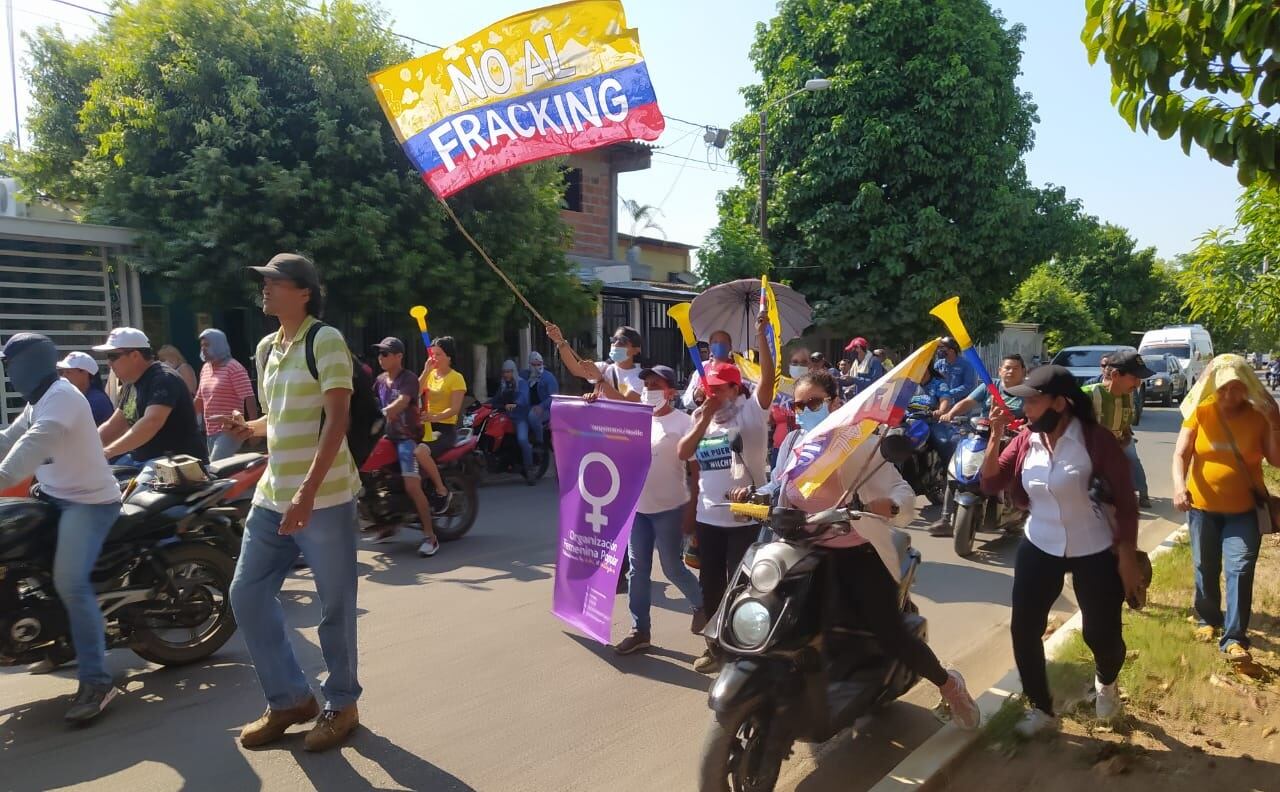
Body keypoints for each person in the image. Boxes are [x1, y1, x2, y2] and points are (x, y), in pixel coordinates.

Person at [740, 371, 981, 730]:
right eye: (798, 404)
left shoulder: (856, 444)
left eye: (814, 403)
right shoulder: (795, 442)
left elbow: (901, 491)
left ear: (836, 402)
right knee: (780, 618)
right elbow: (780, 483)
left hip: (856, 552)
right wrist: (754, 493)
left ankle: (950, 686)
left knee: (889, 631)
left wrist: (892, 507)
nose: (804, 410)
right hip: (805, 552)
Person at [222, 252, 363, 752]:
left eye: (273, 281)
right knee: (246, 594)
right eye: (263, 281)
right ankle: (289, 699)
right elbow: (278, 419)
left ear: (303, 291)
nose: (264, 288)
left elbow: (338, 420)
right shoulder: (267, 348)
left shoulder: (324, 341)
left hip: (322, 497)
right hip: (272, 495)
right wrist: (250, 429)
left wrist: (306, 493)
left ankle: (341, 702)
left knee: (335, 605)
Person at [979, 365, 1145, 737]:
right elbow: (990, 483)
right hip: (1040, 543)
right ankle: (1042, 708)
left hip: (1094, 547)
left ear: (1061, 402)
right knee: (1024, 630)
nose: (1027, 410)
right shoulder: (1025, 439)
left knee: (1101, 635)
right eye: (1025, 403)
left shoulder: (1095, 440)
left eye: (1034, 402)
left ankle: (1106, 681)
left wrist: (1127, 557)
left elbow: (1126, 502)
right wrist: (996, 437)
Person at [0, 334, 124, 723]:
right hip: (53, 496)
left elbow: (24, 456)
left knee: (70, 581)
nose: (7, 371)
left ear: (30, 363)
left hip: (89, 502)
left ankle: (98, 681)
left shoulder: (62, 397)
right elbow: (8, 439)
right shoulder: (39, 399)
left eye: (10, 363)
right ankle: (60, 640)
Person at [678, 311, 777, 674]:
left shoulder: (752, 413)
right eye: (709, 389)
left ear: (736, 388)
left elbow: (768, 378)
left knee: (741, 585)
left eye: (720, 388)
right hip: (709, 516)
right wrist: (703, 416)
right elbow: (683, 454)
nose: (713, 394)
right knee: (711, 584)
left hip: (745, 517)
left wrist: (761, 336)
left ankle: (741, 649)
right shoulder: (700, 417)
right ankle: (715, 647)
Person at [1172, 354, 1280, 664]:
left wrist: (1275, 423)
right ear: (1212, 387)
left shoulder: (1260, 417)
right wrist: (1180, 486)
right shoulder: (1200, 412)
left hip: (1245, 511)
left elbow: (1276, 460)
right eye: (1223, 388)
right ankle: (1208, 620)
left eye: (1236, 388)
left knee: (1240, 569)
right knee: (1205, 567)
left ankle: (1234, 638)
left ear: (1246, 386)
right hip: (1202, 509)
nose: (1230, 395)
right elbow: (1181, 455)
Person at [613, 365, 706, 655]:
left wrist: (692, 511)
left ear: (671, 391)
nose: (649, 389)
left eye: (656, 384)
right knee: (637, 571)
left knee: (672, 567)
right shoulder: (638, 421)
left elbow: (696, 470)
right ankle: (640, 630)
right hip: (638, 510)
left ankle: (703, 607)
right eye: (647, 384)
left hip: (671, 509)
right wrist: (594, 397)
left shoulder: (684, 422)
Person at [930, 354, 1029, 537]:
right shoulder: (991, 387)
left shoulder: (1028, 393)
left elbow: (1034, 415)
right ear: (1000, 370)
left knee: (1017, 470)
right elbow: (968, 402)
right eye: (1007, 367)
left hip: (1011, 440)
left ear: (1023, 371)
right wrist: (950, 414)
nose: (1010, 371)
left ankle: (1017, 509)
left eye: (1015, 368)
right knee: (956, 469)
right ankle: (945, 518)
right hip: (981, 436)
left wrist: (1025, 426)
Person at [96, 327, 208, 481]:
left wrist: (107, 452)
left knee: (130, 499)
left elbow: (151, 422)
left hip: (176, 462)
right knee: (102, 481)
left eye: (113, 356)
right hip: (142, 460)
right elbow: (115, 424)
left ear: (135, 355)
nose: (109, 363)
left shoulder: (163, 379)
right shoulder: (131, 384)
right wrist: (85, 447)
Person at [369, 337, 441, 554]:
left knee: (412, 486)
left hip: (407, 439)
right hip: (387, 438)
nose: (381, 358)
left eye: (385, 354)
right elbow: (369, 402)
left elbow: (402, 401)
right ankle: (388, 523)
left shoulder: (408, 378)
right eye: (379, 353)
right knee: (370, 476)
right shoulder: (380, 380)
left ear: (399, 356)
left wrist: (384, 413)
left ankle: (430, 536)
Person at [1083, 351, 1154, 509]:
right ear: (1115, 375)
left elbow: (1125, 427)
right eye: (1134, 377)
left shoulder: (1127, 396)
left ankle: (1142, 493)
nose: (1138, 384)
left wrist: (1122, 444)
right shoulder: (1088, 395)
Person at [412, 336, 463, 538]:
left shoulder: (456, 378)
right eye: (433, 354)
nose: (435, 358)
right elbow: (414, 391)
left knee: (420, 452)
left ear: (449, 357)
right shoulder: (431, 374)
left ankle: (442, 490)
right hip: (425, 426)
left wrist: (434, 416)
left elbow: (454, 409)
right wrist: (425, 370)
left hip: (445, 428)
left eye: (439, 354)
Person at [194, 328, 259, 461]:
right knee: (221, 471)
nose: (203, 349)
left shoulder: (234, 367)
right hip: (210, 431)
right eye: (202, 346)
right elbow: (199, 399)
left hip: (231, 430)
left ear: (219, 345)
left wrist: (253, 430)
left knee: (215, 467)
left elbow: (249, 397)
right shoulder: (205, 368)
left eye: (207, 345)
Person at [545, 323, 644, 402]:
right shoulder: (604, 368)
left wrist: (600, 380)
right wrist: (560, 342)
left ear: (636, 350)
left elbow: (628, 405)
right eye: (614, 340)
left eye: (622, 341)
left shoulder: (641, 377)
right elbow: (576, 369)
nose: (616, 344)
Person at [491, 359, 536, 484]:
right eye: (504, 372)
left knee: (522, 439)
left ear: (514, 371)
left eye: (509, 371)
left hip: (520, 417)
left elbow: (524, 397)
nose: (506, 374)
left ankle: (529, 469)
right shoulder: (503, 385)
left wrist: (515, 404)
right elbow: (496, 399)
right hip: (506, 417)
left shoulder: (521, 383)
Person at [56, 351, 114, 425]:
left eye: (68, 372)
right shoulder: (80, 397)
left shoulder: (97, 402)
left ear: (85, 373)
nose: (63, 376)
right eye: (62, 372)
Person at [524, 351, 558, 451]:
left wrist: (541, 406)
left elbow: (554, 396)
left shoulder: (548, 377)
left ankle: (540, 441)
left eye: (539, 364)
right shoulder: (526, 376)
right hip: (529, 406)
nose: (536, 367)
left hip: (546, 409)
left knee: (532, 416)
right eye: (533, 364)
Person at [935, 337, 978, 403]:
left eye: (942, 347)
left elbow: (968, 386)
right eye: (938, 347)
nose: (939, 350)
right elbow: (933, 382)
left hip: (960, 405)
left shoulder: (966, 365)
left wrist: (948, 394)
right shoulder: (939, 364)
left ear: (952, 350)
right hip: (942, 404)